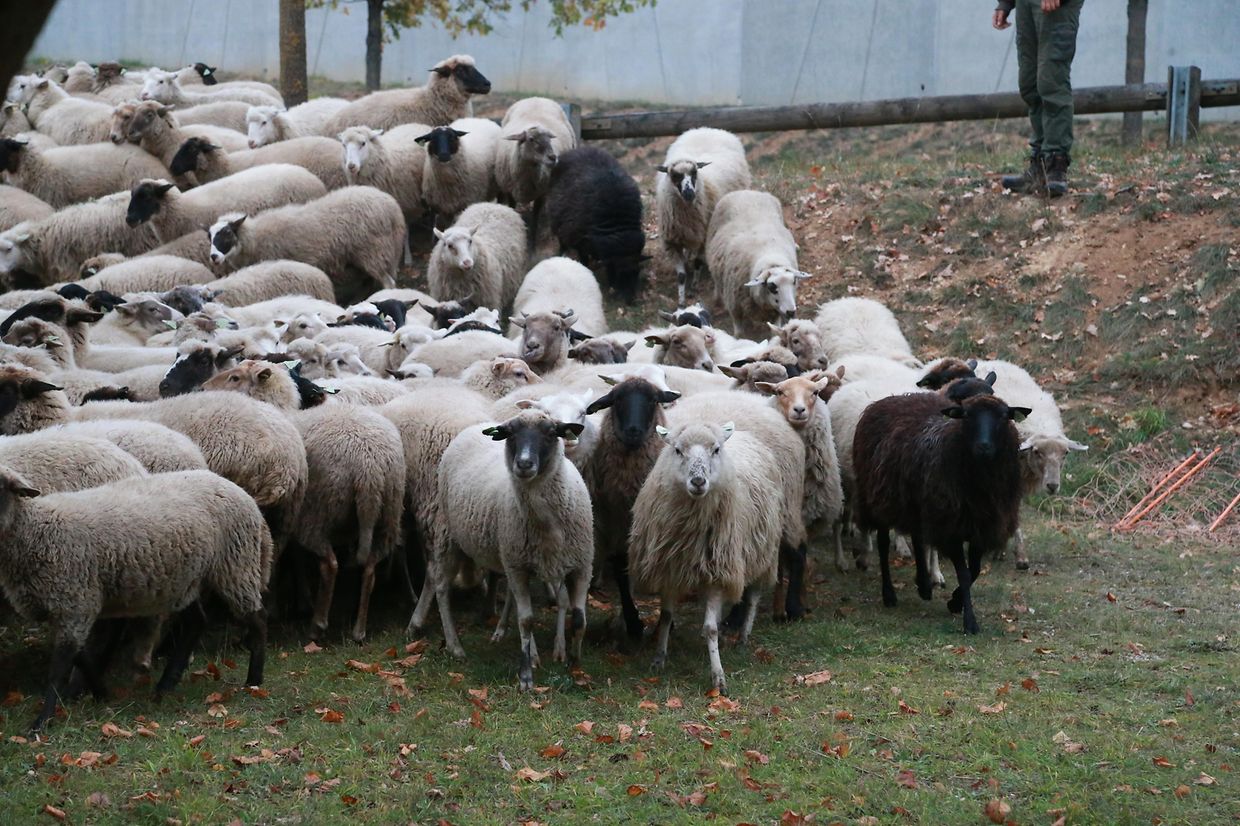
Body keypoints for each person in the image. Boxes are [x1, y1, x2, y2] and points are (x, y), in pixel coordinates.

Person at [994, 0, 1084, 197]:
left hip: (1058, 7)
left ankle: (1056, 165)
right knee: (1030, 83)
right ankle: (1039, 165)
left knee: (1051, 82)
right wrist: (1005, 4)